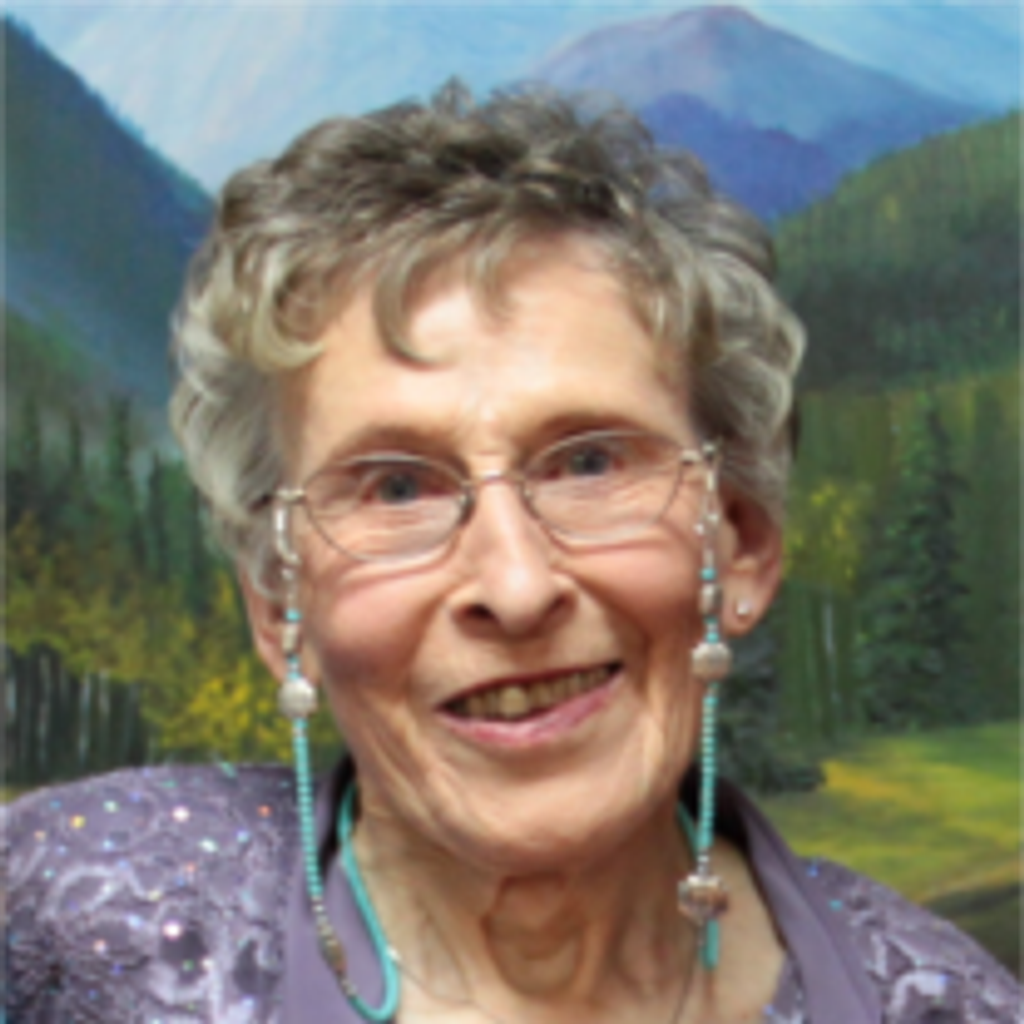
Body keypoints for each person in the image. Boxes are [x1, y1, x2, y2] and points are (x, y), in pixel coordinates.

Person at [1, 82, 1021, 1024]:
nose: (517, 584)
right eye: (396, 487)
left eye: (589, 463)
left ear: (742, 544)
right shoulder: (82, 918)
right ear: (280, 608)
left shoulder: (940, 1006)